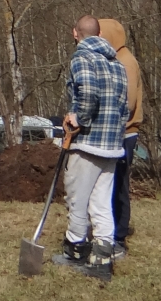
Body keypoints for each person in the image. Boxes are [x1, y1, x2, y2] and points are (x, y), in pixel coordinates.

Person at [55, 15, 130, 281]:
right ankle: (102, 257)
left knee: (76, 199)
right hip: (111, 146)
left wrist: (78, 118)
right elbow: (124, 107)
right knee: (101, 203)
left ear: (76, 33)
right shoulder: (116, 64)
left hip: (88, 144)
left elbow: (88, 94)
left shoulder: (82, 58)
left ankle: (75, 249)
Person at [98, 18, 142, 260]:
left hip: (125, 133)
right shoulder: (115, 60)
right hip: (115, 132)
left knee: (119, 186)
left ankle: (119, 238)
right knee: (110, 185)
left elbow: (129, 102)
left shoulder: (126, 62)